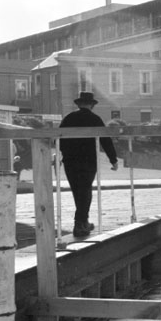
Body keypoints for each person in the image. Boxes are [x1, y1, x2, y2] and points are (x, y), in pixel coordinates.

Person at [60, 91, 118, 237]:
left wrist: (65, 153)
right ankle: (79, 223)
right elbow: (106, 140)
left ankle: (83, 222)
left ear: (79, 104)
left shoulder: (68, 118)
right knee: (85, 191)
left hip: (70, 161)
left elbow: (59, 139)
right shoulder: (95, 119)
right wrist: (113, 159)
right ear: (92, 105)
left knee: (77, 191)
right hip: (88, 161)